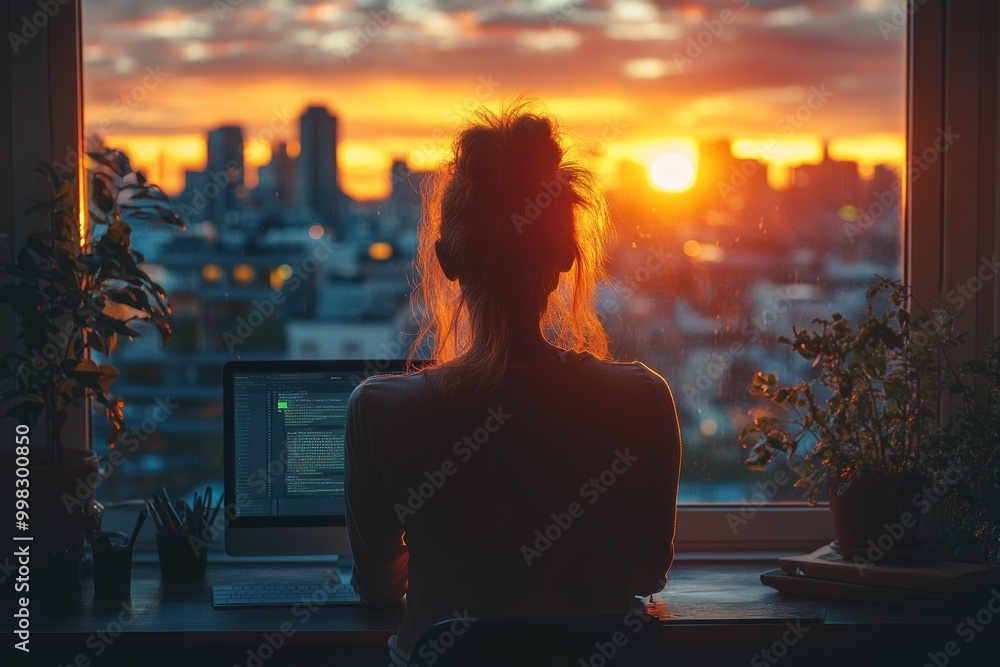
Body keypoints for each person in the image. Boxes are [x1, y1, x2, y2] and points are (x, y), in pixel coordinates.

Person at [344, 101, 682, 666]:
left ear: (447, 259)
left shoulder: (381, 410)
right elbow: (648, 573)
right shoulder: (641, 400)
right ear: (565, 256)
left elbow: (378, 587)